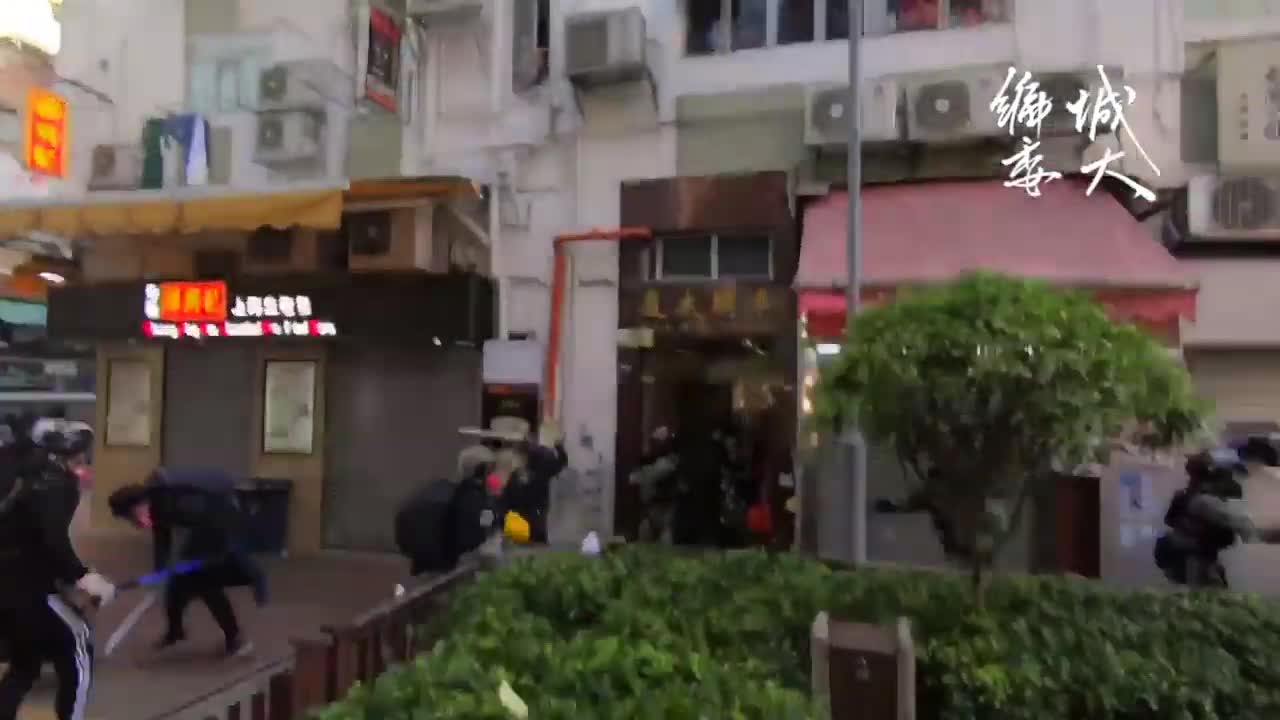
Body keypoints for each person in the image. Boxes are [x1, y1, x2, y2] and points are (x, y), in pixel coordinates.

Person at [0, 417, 116, 720]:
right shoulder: (53, 483)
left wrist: (71, 580)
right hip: (28, 587)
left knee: (25, 666)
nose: (83, 462)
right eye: (79, 454)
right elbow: (50, 537)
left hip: (12, 585)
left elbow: (36, 539)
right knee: (78, 646)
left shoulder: (28, 476)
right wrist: (83, 577)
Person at [107, 467, 266, 657]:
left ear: (139, 504)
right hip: (209, 530)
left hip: (226, 523)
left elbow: (210, 521)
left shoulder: (177, 502)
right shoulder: (157, 505)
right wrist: (160, 572)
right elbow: (162, 540)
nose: (132, 522)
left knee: (206, 583)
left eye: (130, 516)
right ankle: (176, 632)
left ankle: (236, 639)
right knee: (176, 584)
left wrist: (203, 556)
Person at [1155, 447, 1280, 589]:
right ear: (1218, 476)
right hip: (1198, 566)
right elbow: (1250, 530)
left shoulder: (1194, 495)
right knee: (1207, 603)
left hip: (1195, 563)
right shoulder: (1207, 502)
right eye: (1231, 474)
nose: (1237, 480)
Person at [630, 427, 680, 543]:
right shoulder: (650, 461)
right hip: (650, 510)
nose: (657, 445)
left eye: (660, 442)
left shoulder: (670, 462)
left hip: (666, 511)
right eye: (655, 442)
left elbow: (643, 477)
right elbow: (635, 478)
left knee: (665, 543)